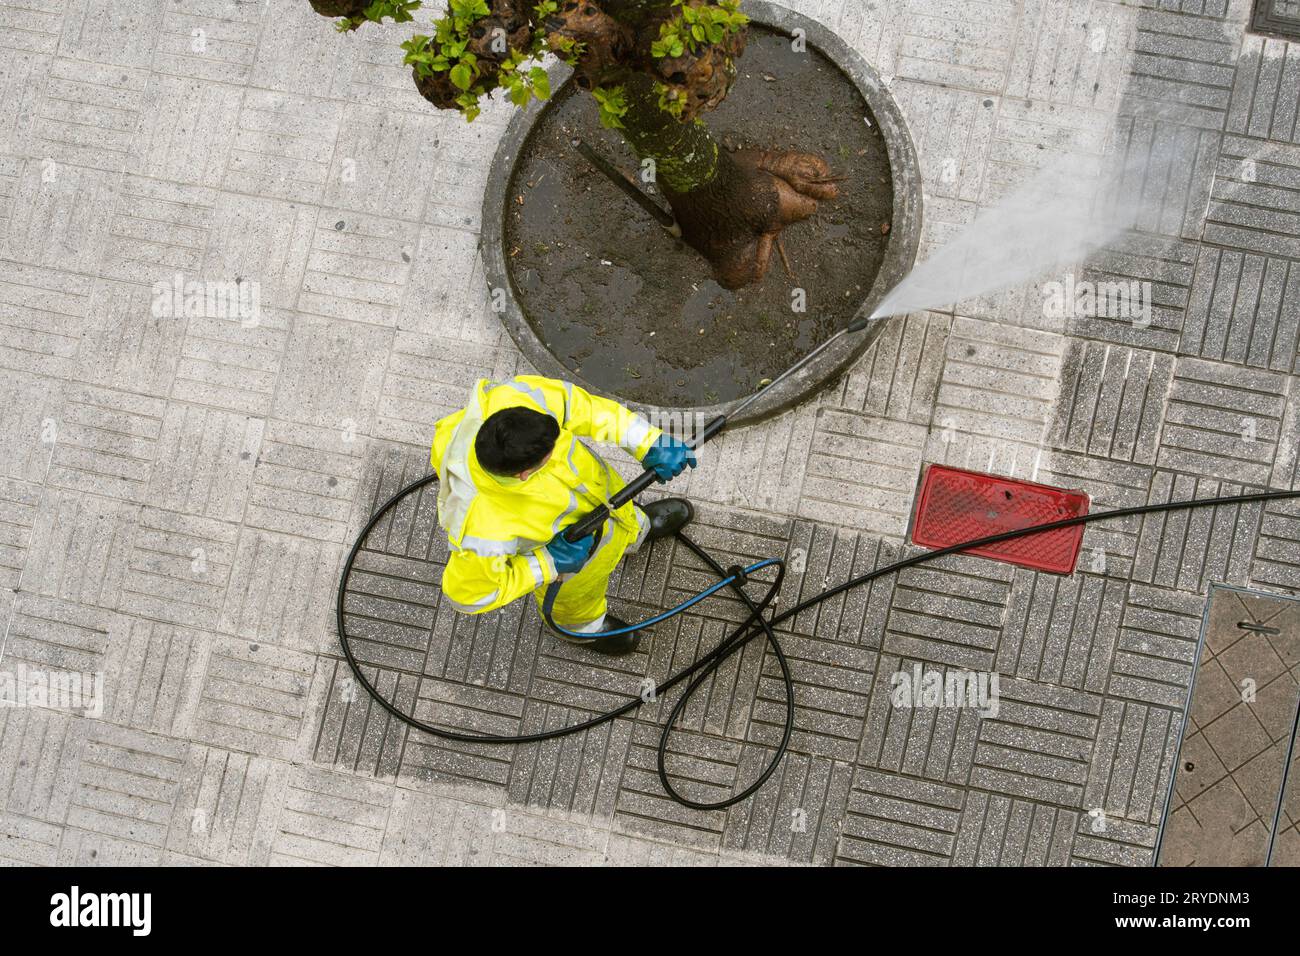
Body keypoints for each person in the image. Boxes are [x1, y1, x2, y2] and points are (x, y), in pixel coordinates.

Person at [431, 375, 697, 655]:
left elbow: (582, 408)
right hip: (573, 563)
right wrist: (547, 563)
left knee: (625, 518)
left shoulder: (517, 399)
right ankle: (584, 629)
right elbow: (468, 595)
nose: (562, 437)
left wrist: (647, 441)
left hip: (610, 500)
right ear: (524, 474)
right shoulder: (481, 527)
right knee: (575, 600)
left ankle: (635, 530)